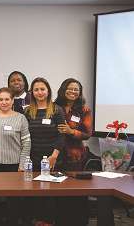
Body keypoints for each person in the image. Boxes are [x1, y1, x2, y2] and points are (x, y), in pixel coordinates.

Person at [0, 87, 31, 226]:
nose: (4, 102)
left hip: (13, 164)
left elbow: (27, 143)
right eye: (1, 99)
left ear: (12, 101)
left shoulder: (21, 118)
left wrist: (22, 164)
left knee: (13, 199)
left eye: (7, 99)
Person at [24, 77, 65, 226]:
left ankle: (48, 221)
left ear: (48, 91)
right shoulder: (27, 111)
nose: (39, 92)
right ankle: (39, 220)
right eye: (36, 89)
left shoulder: (56, 110)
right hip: (33, 158)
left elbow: (61, 135)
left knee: (49, 193)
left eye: (42, 89)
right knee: (35, 192)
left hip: (51, 159)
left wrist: (53, 156)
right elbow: (25, 136)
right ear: (32, 92)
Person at [54, 78, 92, 226]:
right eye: (70, 89)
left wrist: (72, 132)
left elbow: (87, 134)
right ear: (63, 90)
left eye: (76, 90)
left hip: (74, 157)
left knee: (74, 191)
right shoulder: (55, 107)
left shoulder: (83, 110)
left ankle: (76, 222)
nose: (73, 92)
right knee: (57, 190)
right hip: (55, 155)